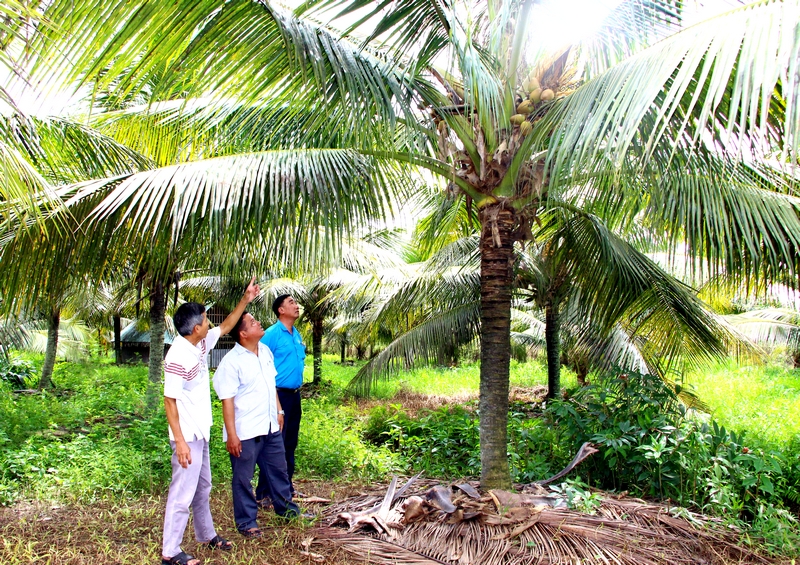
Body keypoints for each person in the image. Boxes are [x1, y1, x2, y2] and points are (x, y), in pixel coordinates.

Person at [160, 277, 259, 565]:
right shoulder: (177, 355)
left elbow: (227, 325)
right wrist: (179, 441)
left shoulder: (199, 344)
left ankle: (206, 535)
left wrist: (245, 299)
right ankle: (170, 551)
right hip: (187, 435)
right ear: (195, 328)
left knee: (203, 487)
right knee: (182, 492)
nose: (208, 323)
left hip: (201, 432)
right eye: (205, 320)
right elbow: (170, 400)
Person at [212, 312, 302, 538]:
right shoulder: (231, 362)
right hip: (246, 432)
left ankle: (287, 510)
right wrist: (232, 435)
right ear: (243, 334)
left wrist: (279, 410)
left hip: (270, 426)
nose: (259, 323)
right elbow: (227, 401)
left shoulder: (265, 352)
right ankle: (247, 522)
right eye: (253, 322)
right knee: (243, 478)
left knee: (278, 471)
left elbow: (271, 385)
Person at [255, 294, 306, 506]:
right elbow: (258, 361)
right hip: (278, 396)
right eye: (291, 303)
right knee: (275, 445)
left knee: (290, 444)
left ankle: (287, 487)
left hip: (295, 396)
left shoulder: (296, 334)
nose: (296, 306)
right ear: (280, 310)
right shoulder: (271, 334)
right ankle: (265, 492)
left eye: (295, 302)